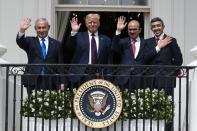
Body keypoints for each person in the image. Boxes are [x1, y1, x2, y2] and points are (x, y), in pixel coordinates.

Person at [16, 18, 65, 95]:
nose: (41, 30)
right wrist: (22, 30)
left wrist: (62, 82)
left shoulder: (57, 44)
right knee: (33, 105)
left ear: (48, 28)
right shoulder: (30, 41)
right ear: (35, 28)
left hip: (51, 80)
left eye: (43, 27)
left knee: (50, 106)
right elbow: (20, 41)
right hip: (33, 79)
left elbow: (60, 64)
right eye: (39, 28)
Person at [66, 13, 112, 85]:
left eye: (95, 22)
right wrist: (74, 32)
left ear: (99, 23)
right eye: (90, 22)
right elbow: (70, 48)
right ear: (86, 24)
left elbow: (109, 60)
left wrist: (109, 77)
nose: (92, 24)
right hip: (80, 75)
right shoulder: (79, 36)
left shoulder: (106, 40)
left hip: (99, 75)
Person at [144, 17, 183, 95]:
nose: (156, 28)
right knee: (151, 106)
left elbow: (179, 60)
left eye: (158, 25)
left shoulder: (171, 40)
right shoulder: (147, 42)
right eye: (154, 26)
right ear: (151, 29)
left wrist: (171, 71)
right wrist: (158, 47)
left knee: (166, 105)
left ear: (163, 27)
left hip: (167, 79)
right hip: (151, 80)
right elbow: (145, 58)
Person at [112, 16, 146, 91]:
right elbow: (114, 48)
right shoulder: (123, 42)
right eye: (130, 29)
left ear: (140, 30)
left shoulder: (145, 43)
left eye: (134, 29)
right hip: (123, 78)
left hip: (140, 79)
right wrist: (118, 30)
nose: (132, 31)